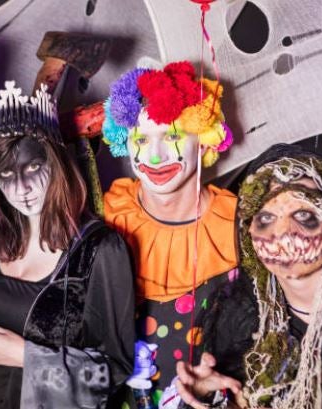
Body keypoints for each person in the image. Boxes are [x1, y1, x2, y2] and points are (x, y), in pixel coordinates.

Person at [0, 81, 136, 408]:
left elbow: (113, 373)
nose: (21, 188)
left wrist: (25, 356)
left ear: (56, 164)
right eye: (6, 175)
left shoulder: (101, 250)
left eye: (33, 167)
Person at [101, 61, 237, 406]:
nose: (155, 156)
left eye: (173, 136)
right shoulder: (109, 213)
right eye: (141, 139)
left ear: (203, 142)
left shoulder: (237, 223)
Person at [175, 144, 322, 409]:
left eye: (303, 214)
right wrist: (204, 397)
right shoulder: (239, 321)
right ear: (249, 237)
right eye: (266, 218)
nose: (283, 233)